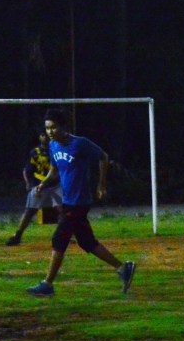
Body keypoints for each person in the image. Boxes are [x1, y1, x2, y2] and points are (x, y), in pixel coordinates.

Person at [26, 108, 136, 298]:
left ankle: (47, 284)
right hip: (67, 200)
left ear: (64, 127)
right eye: (47, 128)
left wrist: (101, 185)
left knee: (59, 238)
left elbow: (103, 157)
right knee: (86, 241)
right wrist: (43, 184)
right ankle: (123, 268)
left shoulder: (80, 144)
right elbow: (55, 170)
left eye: (53, 127)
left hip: (79, 201)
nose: (50, 132)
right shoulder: (53, 146)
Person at [6, 130, 63, 246]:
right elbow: (27, 169)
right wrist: (28, 183)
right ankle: (18, 235)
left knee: (62, 210)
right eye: (43, 135)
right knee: (30, 211)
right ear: (40, 137)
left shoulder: (57, 150)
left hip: (55, 185)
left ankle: (63, 235)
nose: (45, 138)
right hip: (39, 185)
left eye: (47, 136)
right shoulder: (35, 152)